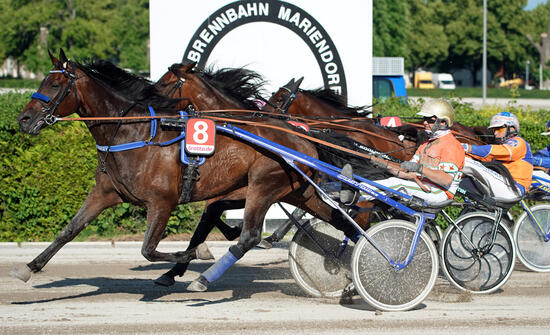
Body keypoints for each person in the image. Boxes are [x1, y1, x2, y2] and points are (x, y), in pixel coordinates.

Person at [340, 99, 465, 205]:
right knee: (391, 180)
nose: (425, 122)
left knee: (397, 184)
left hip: (440, 192)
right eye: (424, 119)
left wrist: (419, 168)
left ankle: (356, 195)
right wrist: (382, 163)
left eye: (430, 120)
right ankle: (333, 193)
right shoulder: (426, 144)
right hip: (423, 185)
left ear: (443, 122)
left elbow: (446, 180)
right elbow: (406, 171)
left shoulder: (452, 146)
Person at [462, 111, 533, 199]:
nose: (495, 133)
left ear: (511, 129)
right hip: (505, 184)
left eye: (499, 129)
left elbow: (499, 151)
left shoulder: (518, 142)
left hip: (514, 187)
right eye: (494, 130)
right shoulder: (503, 146)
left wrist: (468, 147)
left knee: (468, 163)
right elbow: (486, 158)